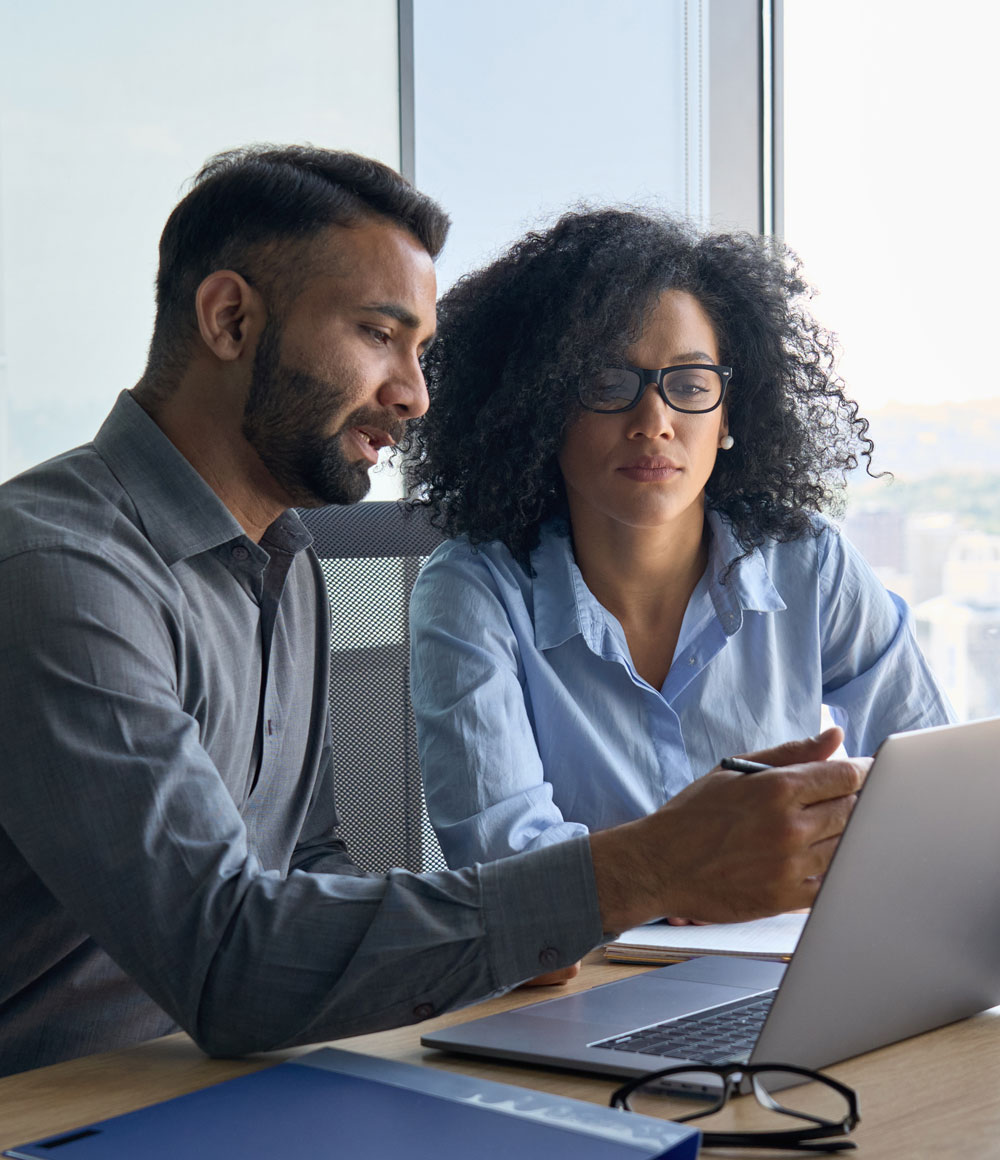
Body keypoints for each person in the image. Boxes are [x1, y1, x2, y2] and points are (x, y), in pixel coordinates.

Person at [0, 149, 866, 1079]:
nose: (415, 394)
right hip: (57, 1103)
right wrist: (641, 870)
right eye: (380, 334)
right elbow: (228, 963)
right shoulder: (60, 573)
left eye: (419, 352)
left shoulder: (282, 560)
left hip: (226, 1082)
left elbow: (314, 865)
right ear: (230, 319)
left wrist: (508, 932)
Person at [407, 208, 952, 875]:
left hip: (785, 960)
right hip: (585, 977)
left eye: (691, 386)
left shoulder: (807, 562)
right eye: (609, 383)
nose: (654, 422)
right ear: (543, 408)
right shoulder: (472, 592)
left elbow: (934, 782)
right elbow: (509, 873)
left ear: (730, 414)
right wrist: (686, 877)